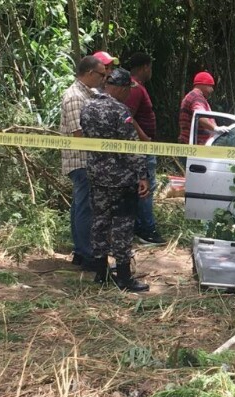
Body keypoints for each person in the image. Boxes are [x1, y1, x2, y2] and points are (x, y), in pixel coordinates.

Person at [81, 68, 150, 292]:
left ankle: (101, 274)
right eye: (128, 90)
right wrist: (142, 175)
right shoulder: (121, 111)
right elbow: (131, 148)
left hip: (97, 176)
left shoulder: (87, 107)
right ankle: (124, 277)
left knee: (99, 223)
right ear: (120, 88)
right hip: (121, 179)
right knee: (122, 226)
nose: (129, 94)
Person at [59, 55, 107, 271]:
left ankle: (80, 252)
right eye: (101, 75)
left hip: (85, 159)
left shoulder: (87, 93)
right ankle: (88, 256)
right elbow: (79, 133)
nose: (103, 79)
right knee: (86, 208)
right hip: (81, 160)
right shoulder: (75, 97)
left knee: (80, 206)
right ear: (89, 73)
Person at [124, 52, 166, 245]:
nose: (151, 71)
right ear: (144, 67)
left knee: (143, 187)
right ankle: (146, 231)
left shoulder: (136, 87)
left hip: (142, 146)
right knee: (146, 187)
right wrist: (144, 137)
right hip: (141, 148)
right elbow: (127, 116)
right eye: (150, 67)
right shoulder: (134, 88)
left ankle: (139, 226)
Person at [178, 71, 227, 145]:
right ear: (203, 84)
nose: (212, 90)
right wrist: (215, 128)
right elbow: (200, 116)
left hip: (189, 143)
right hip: (196, 146)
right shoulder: (197, 97)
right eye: (210, 86)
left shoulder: (190, 96)